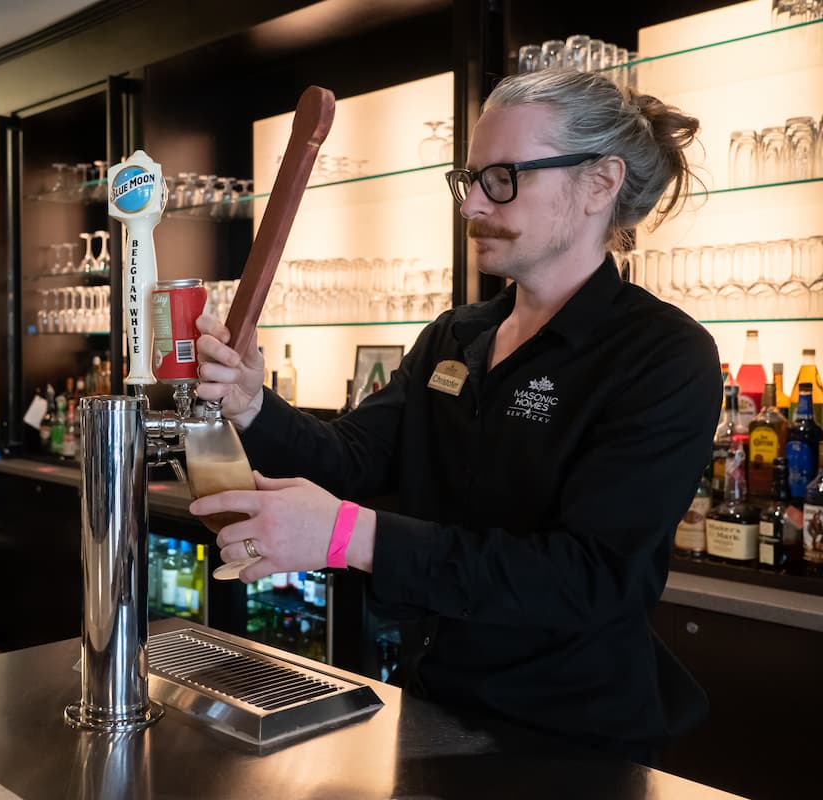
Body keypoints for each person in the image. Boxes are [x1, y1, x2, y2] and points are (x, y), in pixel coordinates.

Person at [190, 69, 722, 764]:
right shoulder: (456, 336)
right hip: (436, 706)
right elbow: (353, 457)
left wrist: (352, 535)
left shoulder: (663, 355)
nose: (471, 204)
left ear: (600, 183)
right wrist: (253, 404)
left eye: (503, 177)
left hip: (575, 742)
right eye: (468, 178)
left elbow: (586, 576)